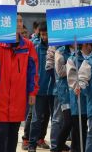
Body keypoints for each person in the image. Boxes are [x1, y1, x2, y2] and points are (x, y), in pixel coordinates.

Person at [0, 30, 39, 152]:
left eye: (20, 21)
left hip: (19, 97)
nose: (18, 23)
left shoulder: (28, 45)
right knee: (1, 132)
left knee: (14, 132)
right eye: (16, 21)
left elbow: (33, 71)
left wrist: (32, 92)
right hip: (0, 96)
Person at [30, 22, 54, 152]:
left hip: (53, 89)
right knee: (36, 118)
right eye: (42, 34)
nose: (44, 37)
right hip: (39, 88)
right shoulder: (35, 46)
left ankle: (43, 139)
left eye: (46, 34)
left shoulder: (57, 46)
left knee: (50, 118)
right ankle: (32, 144)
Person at [67, 43, 92, 152]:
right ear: (85, 45)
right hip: (78, 99)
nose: (91, 46)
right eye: (90, 44)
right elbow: (71, 79)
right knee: (78, 128)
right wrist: (78, 87)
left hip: (91, 99)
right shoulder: (72, 59)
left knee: (87, 129)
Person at [53, 43, 75, 152]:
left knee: (77, 122)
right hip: (65, 91)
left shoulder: (82, 49)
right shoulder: (60, 51)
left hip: (77, 90)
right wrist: (73, 64)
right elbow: (60, 71)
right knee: (68, 121)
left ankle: (75, 147)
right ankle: (58, 145)